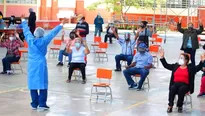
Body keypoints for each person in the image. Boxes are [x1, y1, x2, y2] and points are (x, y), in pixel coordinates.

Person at [21, 14, 67, 110]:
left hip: (32, 64)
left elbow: (26, 31)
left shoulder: (30, 40)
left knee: (32, 84)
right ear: (42, 34)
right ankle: (42, 104)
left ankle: (34, 104)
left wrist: (23, 21)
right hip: (41, 64)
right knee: (43, 83)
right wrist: (61, 24)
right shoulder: (44, 40)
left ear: (34, 34)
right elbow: (52, 33)